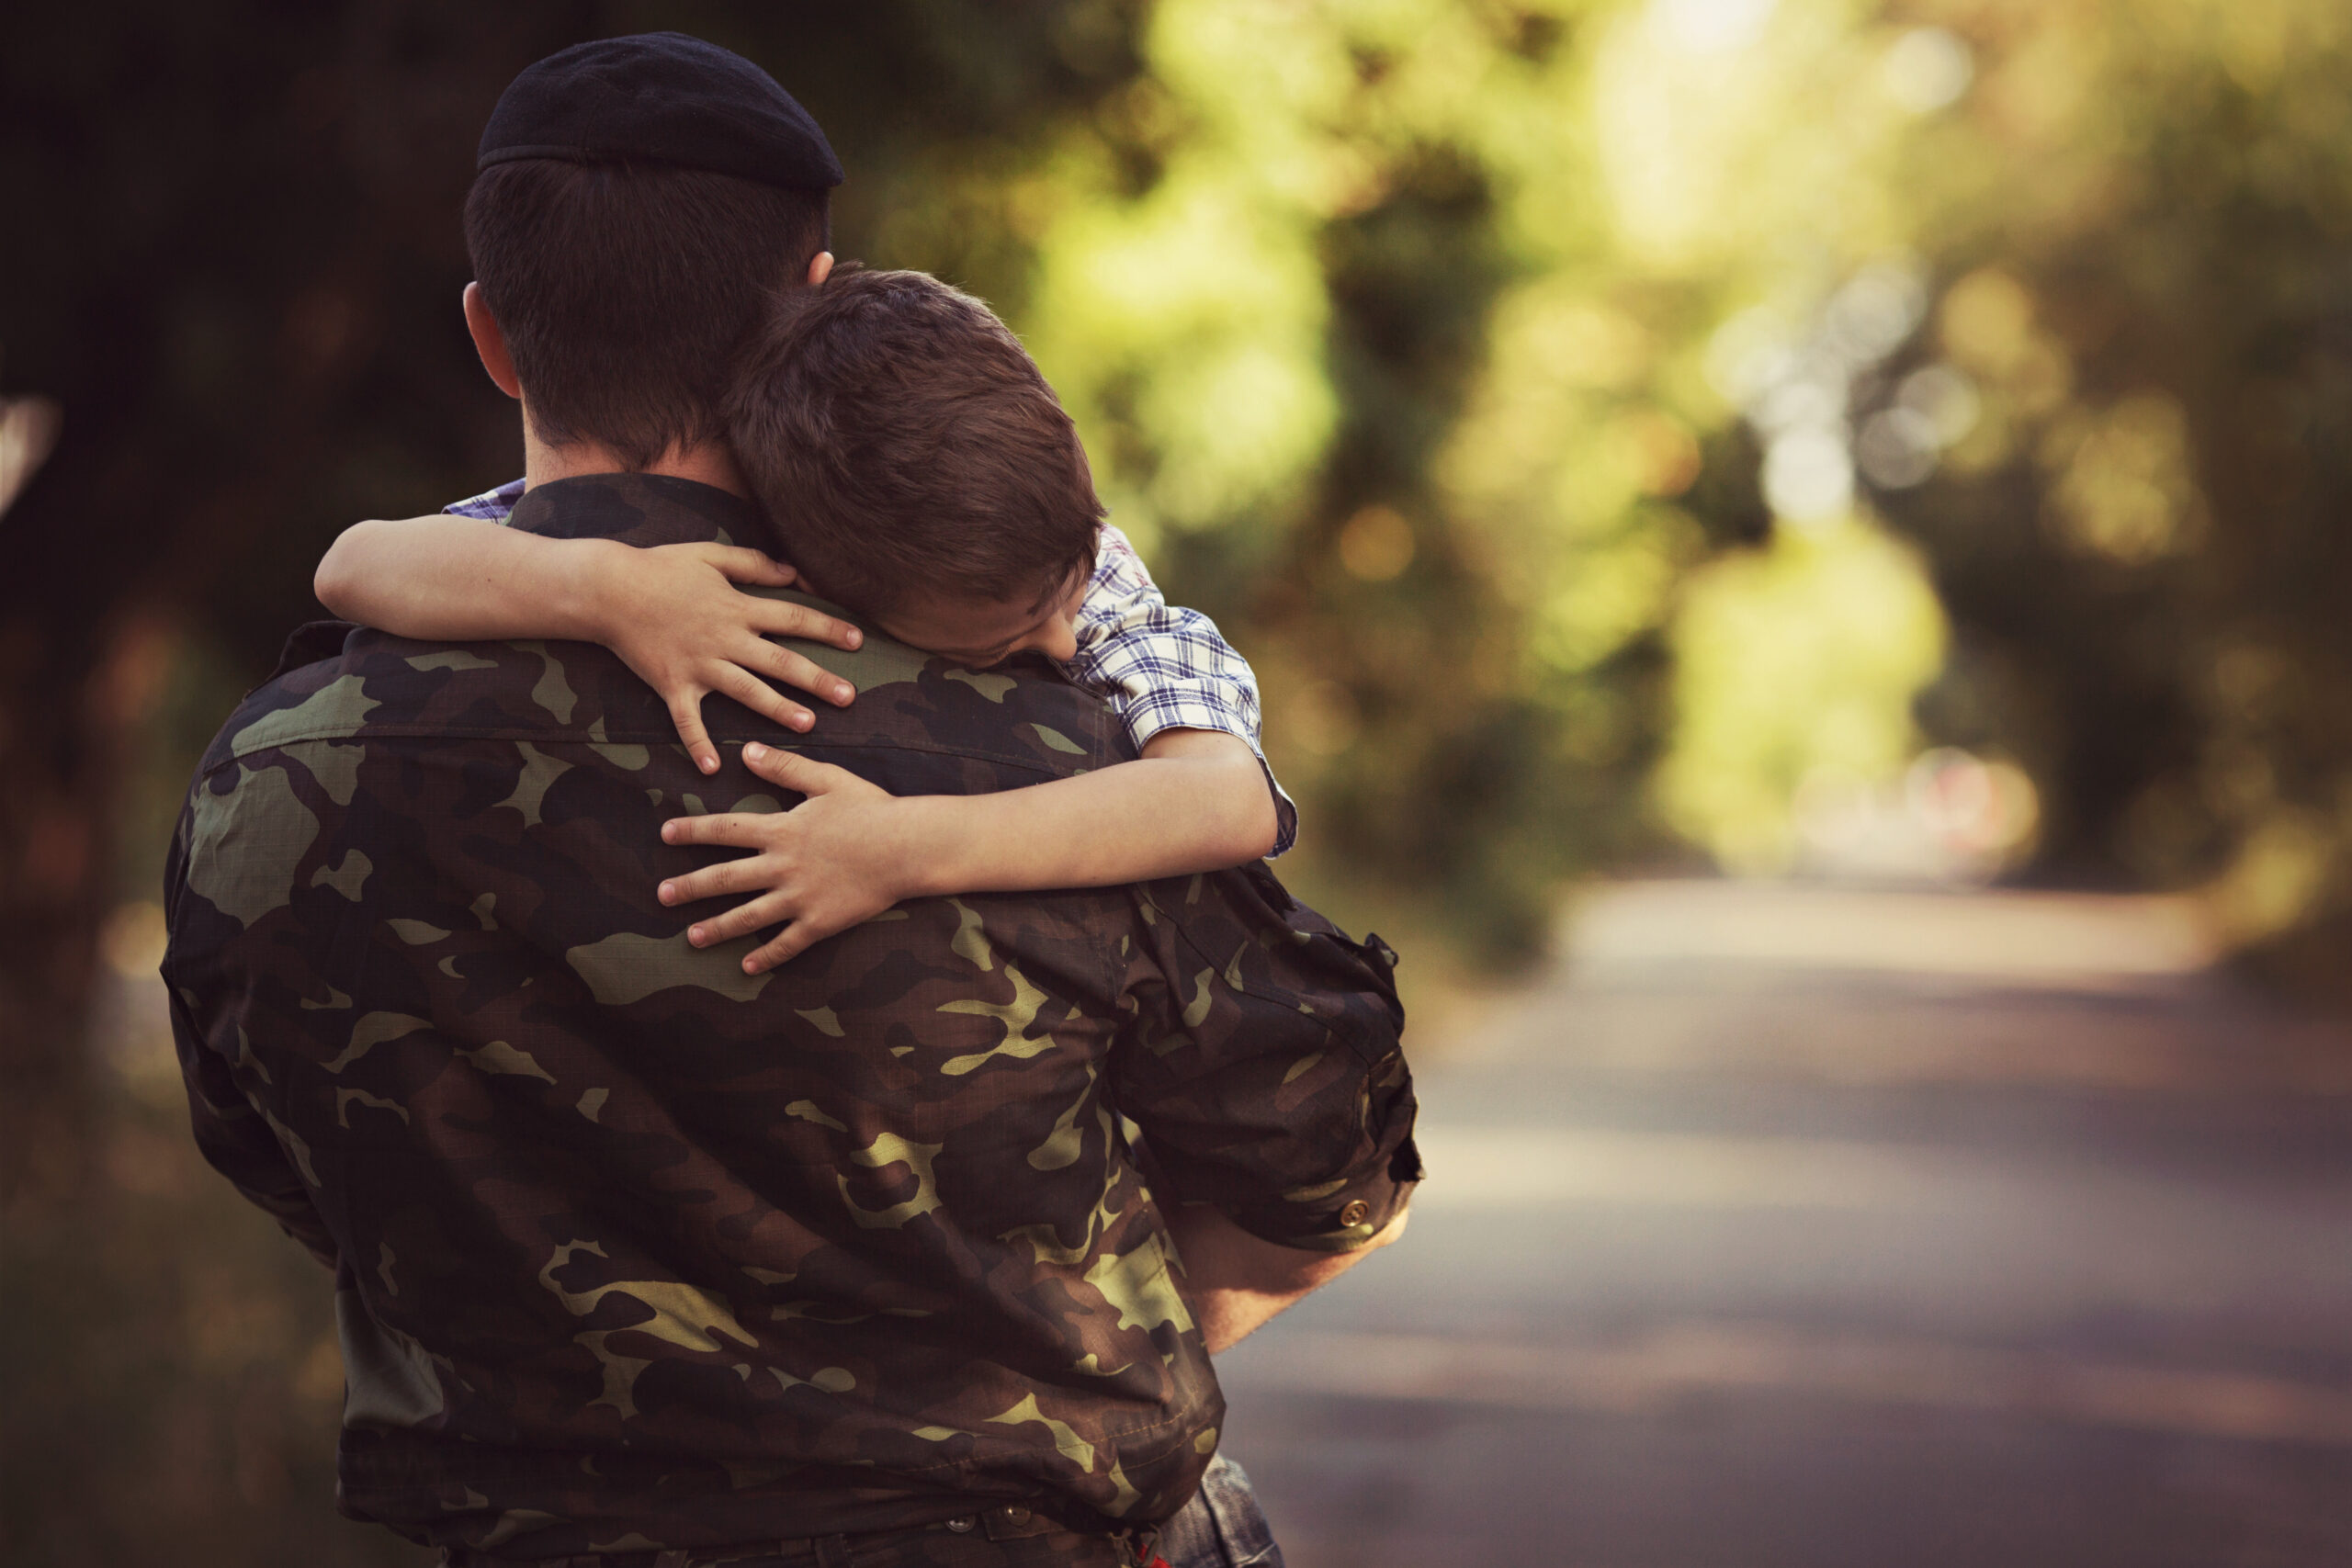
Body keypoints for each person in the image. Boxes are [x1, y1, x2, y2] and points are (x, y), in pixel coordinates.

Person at [163, 34, 1419, 1568]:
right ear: (810, 302)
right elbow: (1334, 1171)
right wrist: (1063, 1380)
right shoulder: (1066, 762)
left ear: (495, 338)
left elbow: (284, 1162)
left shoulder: (278, 777)